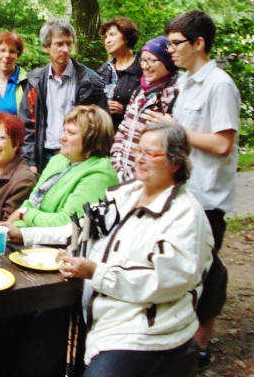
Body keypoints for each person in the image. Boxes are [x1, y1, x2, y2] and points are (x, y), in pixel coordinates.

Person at [58, 123, 214, 377]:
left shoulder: (185, 214)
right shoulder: (126, 194)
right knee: (34, 340)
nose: (139, 159)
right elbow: (80, 229)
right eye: (138, 151)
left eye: (150, 154)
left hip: (147, 333)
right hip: (105, 320)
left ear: (175, 163)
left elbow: (164, 282)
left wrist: (96, 272)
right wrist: (35, 238)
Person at [149, 10, 240, 366]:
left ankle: (198, 346)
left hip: (206, 198)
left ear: (199, 43)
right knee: (182, 270)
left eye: (176, 43)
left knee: (204, 272)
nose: (169, 50)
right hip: (179, 193)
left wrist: (177, 131)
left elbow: (222, 144)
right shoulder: (186, 82)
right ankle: (181, 343)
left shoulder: (219, 84)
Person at [2, 105, 118, 246]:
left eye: (71, 133)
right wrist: (15, 226)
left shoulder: (100, 174)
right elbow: (31, 202)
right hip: (28, 237)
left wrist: (24, 214)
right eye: (64, 130)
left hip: (60, 251)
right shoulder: (59, 160)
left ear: (92, 139)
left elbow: (68, 223)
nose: (62, 137)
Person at [19, 18, 108, 173]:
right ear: (46, 47)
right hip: (44, 155)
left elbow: (101, 126)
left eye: (69, 43)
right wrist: (30, 161)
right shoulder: (35, 82)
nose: (65, 49)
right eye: (59, 44)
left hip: (79, 157)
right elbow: (27, 125)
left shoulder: (91, 82)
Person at [110, 36, 180, 181]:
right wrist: (116, 163)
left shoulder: (174, 96)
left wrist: (135, 175)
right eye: (142, 60)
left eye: (152, 60)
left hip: (148, 179)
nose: (144, 66)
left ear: (167, 62)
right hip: (121, 175)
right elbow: (123, 131)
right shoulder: (139, 92)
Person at [98, 17, 142, 129]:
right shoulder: (105, 69)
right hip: (105, 134)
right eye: (106, 37)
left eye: (112, 35)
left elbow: (150, 103)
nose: (107, 40)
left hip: (132, 133)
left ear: (127, 37)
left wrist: (124, 109)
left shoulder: (143, 67)